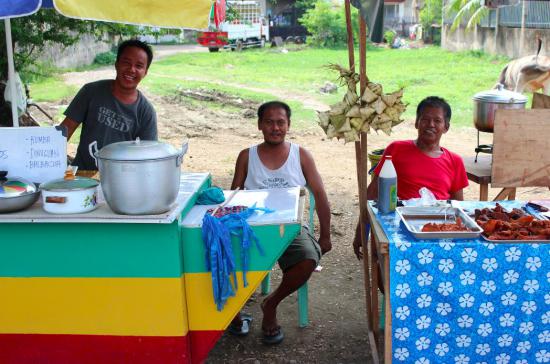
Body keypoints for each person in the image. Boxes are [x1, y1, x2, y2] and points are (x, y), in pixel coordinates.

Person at [230, 101, 331, 345]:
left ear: (288, 125)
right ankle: (233, 312)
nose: (275, 127)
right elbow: (233, 196)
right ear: (259, 125)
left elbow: (320, 194)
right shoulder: (247, 156)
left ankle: (271, 304)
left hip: (290, 229)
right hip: (253, 229)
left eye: (280, 122)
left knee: (308, 257)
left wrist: (325, 235)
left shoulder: (301, 155)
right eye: (269, 122)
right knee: (225, 254)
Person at [353, 96, 468, 259]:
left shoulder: (454, 161)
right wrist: (361, 232)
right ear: (416, 123)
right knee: (387, 277)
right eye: (425, 119)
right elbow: (372, 194)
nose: (431, 125)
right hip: (398, 231)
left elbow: (458, 207)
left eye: (437, 120)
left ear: (446, 127)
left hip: (437, 233)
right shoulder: (396, 149)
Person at [60, 39, 157, 170]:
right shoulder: (90, 91)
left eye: (139, 66)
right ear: (116, 64)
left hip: (120, 180)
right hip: (83, 176)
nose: (131, 69)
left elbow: (148, 156)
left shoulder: (146, 112)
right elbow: (65, 131)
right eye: (126, 63)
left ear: (145, 72)